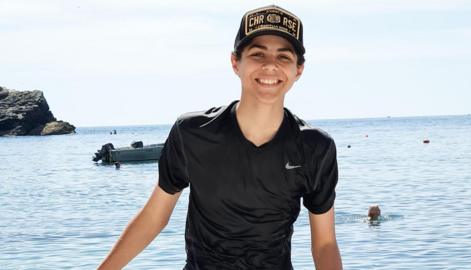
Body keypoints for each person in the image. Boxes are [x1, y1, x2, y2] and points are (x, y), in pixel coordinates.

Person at [98, 5, 342, 270]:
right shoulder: (192, 133)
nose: (270, 65)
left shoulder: (316, 147)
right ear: (235, 63)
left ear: (299, 70)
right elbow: (154, 218)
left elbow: (325, 243)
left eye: (283, 57)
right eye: (258, 54)